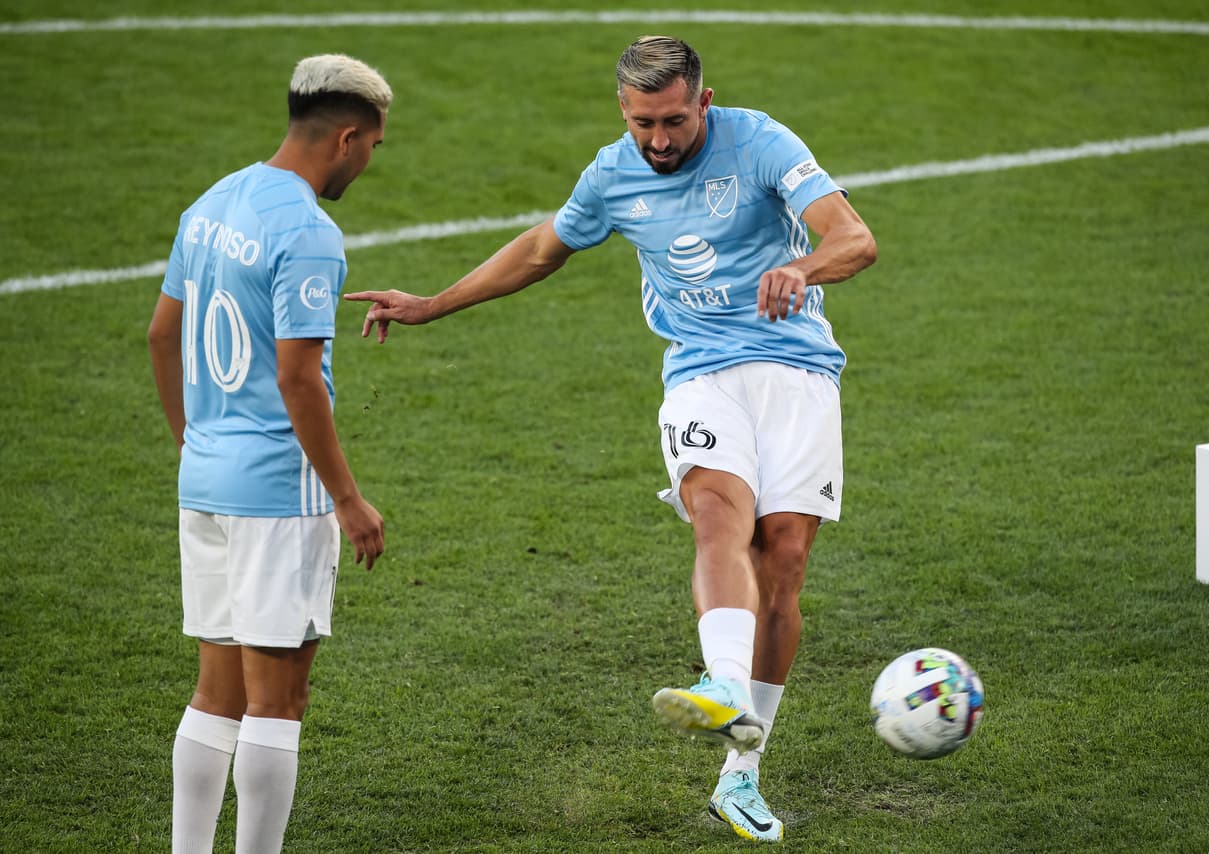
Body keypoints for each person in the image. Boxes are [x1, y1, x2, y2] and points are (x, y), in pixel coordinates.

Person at [346, 36, 875, 843]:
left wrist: (803, 271)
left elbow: (854, 238)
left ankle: (741, 773)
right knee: (717, 514)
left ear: (703, 101)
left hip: (795, 368)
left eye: (671, 122)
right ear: (622, 113)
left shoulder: (760, 140)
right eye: (641, 124)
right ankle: (725, 682)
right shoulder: (613, 173)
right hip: (700, 372)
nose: (657, 141)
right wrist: (431, 303)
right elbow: (541, 248)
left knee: (785, 560)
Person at [147, 54, 391, 854]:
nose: (368, 162)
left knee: (214, 695)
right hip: (277, 496)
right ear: (347, 139)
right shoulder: (308, 231)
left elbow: (161, 332)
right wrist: (348, 499)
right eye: (373, 148)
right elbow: (298, 377)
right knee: (277, 704)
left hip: (206, 480)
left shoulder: (213, 201)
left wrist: (195, 441)